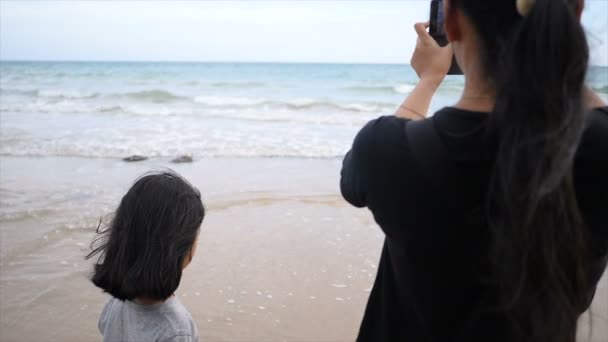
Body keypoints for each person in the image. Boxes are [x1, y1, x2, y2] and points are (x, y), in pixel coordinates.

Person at [340, 0, 607, 341]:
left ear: (450, 22)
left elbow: (356, 182)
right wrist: (562, 60)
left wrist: (429, 80)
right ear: (576, 14)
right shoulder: (599, 150)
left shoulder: (384, 149)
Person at [86, 171, 205, 342]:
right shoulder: (177, 329)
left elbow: (103, 327)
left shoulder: (117, 303)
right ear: (178, 248)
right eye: (196, 234)